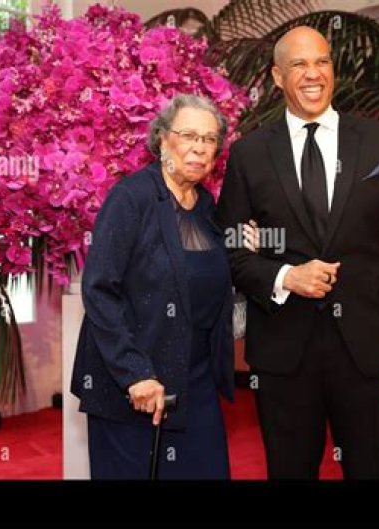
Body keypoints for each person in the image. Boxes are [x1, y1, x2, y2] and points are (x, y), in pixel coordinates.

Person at [217, 26, 379, 479]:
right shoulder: (249, 154)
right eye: (299, 64)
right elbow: (230, 251)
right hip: (282, 354)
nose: (313, 74)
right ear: (278, 77)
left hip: (369, 350)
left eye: (322, 62)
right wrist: (285, 277)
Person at [71, 94, 235, 479]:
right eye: (189, 135)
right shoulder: (131, 198)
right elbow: (99, 288)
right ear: (162, 139)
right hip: (135, 388)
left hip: (196, 382)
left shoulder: (206, 207)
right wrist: (135, 373)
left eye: (209, 139)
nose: (199, 147)